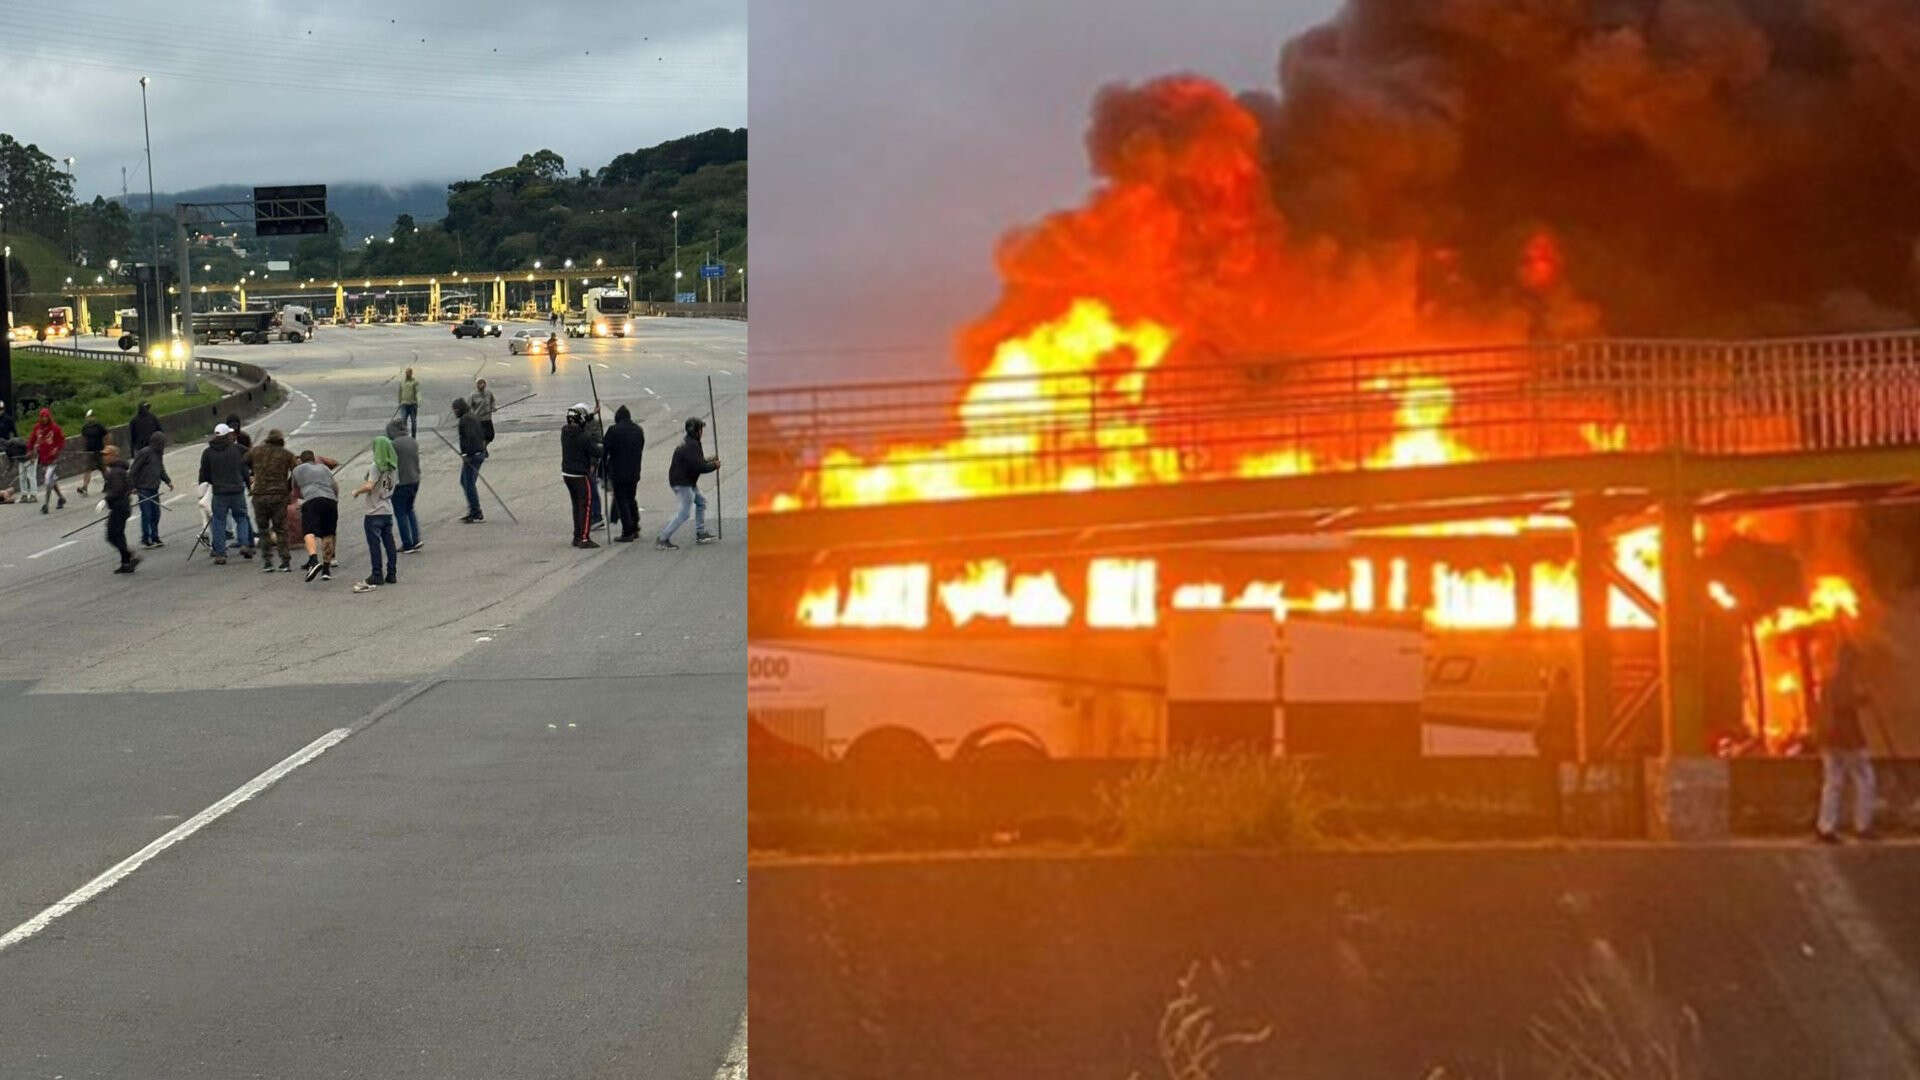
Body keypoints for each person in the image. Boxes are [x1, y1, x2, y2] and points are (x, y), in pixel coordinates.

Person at [1816, 624, 1875, 842]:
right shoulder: (1841, 679)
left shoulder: (1829, 678)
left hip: (1830, 739)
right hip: (1846, 738)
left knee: (1833, 782)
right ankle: (1862, 826)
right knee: (1864, 779)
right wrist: (1862, 699)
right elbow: (1842, 703)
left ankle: (1826, 827)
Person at [656, 416, 719, 549]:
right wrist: (714, 465)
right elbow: (699, 467)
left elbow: (696, 462)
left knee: (701, 502)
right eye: (701, 428)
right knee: (684, 513)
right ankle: (663, 539)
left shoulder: (690, 442)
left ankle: (700, 533)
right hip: (682, 483)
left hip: (686, 480)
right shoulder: (692, 445)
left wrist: (709, 460)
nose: (702, 431)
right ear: (695, 430)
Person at [198, 422, 254, 564]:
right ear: (227, 435)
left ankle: (220, 553)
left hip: (219, 492)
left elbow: (204, 474)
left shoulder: (208, 452)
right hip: (237, 490)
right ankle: (244, 544)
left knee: (219, 522)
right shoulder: (237, 450)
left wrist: (212, 483)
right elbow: (246, 467)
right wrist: (249, 485)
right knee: (241, 517)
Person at [351, 435, 400, 592]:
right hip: (387, 508)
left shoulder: (376, 466)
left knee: (375, 545)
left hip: (373, 511)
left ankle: (377, 574)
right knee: (389, 543)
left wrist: (357, 491)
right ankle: (391, 573)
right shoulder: (393, 468)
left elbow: (370, 485)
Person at [246, 428, 299, 572]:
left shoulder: (255, 451)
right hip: (279, 496)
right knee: (281, 529)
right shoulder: (287, 454)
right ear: (281, 440)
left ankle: (268, 562)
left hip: (259, 496)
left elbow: (243, 461)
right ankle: (285, 561)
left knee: (263, 530)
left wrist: (253, 472)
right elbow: (297, 471)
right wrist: (287, 487)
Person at [292, 449, 340, 582]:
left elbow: (295, 493)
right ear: (314, 459)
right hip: (330, 501)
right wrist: (334, 500)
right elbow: (335, 486)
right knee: (328, 534)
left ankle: (313, 560)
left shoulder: (297, 469)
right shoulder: (324, 468)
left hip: (312, 501)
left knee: (308, 531)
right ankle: (326, 569)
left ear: (301, 460)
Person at [560, 404, 604, 549]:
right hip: (580, 475)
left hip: (567, 473)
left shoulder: (565, 432)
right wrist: (606, 446)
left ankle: (577, 536)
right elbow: (597, 452)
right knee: (585, 506)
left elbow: (581, 421)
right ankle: (584, 538)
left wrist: (592, 414)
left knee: (576, 505)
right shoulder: (584, 437)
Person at [603, 404, 645, 542]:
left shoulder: (613, 430)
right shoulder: (638, 430)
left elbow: (605, 450)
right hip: (634, 471)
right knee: (631, 498)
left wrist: (602, 469)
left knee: (622, 501)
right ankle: (635, 526)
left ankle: (628, 531)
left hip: (618, 472)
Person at [128, 430, 173, 548]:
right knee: (146, 514)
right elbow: (133, 470)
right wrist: (132, 486)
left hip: (154, 488)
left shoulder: (159, 454)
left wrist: (167, 481)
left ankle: (155, 536)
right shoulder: (145, 453)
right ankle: (145, 538)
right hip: (143, 489)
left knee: (156, 514)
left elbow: (160, 469)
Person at [100, 443, 139, 574]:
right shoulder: (119, 469)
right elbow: (129, 484)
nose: (104, 457)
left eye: (106, 455)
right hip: (123, 506)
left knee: (111, 535)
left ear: (113, 455)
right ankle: (126, 563)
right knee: (119, 535)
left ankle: (129, 555)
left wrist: (106, 499)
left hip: (119, 507)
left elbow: (116, 490)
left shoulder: (116, 471)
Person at [385, 417, 423, 552]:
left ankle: (407, 544)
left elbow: (388, 465)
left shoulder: (394, 444)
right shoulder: (412, 441)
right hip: (415, 479)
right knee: (410, 509)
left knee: (400, 513)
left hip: (401, 482)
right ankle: (416, 539)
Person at [453, 397, 487, 523]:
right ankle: (474, 510)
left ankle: (476, 512)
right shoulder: (472, 416)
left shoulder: (465, 420)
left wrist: (466, 454)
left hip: (472, 455)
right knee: (465, 482)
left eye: (456, 409)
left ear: (461, 408)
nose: (455, 412)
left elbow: (470, 437)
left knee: (468, 484)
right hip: (479, 453)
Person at [27, 407, 67, 514]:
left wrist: (56, 449)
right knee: (51, 481)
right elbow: (31, 440)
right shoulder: (37, 428)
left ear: (49, 417)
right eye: (42, 416)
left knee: (48, 479)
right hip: (43, 459)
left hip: (53, 459)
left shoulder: (55, 428)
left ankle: (46, 504)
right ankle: (61, 498)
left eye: (46, 416)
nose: (44, 419)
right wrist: (30, 451)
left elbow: (61, 441)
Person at [1535, 668, 1577, 763]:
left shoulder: (1550, 696)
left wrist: (1538, 736)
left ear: (1555, 679)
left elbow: (1544, 718)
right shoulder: (1572, 697)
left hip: (1551, 743)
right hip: (1568, 743)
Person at [77, 409, 109, 496]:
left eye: (90, 417)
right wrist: (83, 449)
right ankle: (85, 488)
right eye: (87, 417)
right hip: (89, 452)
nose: (89, 418)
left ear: (93, 417)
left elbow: (106, 435)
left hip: (99, 451)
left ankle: (109, 483)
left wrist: (106, 447)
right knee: (87, 470)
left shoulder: (99, 426)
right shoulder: (85, 428)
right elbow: (83, 439)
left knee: (103, 469)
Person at [6, 429, 34, 503]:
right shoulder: (7, 449)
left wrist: (32, 457)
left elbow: (29, 446)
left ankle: (33, 495)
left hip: (29, 459)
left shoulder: (17, 442)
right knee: (22, 478)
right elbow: (11, 460)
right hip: (21, 461)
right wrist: (8, 469)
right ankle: (24, 496)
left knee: (31, 477)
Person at [469, 379, 498, 444]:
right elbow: (469, 407)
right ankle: (482, 449)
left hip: (488, 419)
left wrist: (493, 407)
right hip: (479, 420)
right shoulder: (473, 395)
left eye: (483, 383)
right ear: (476, 385)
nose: (482, 385)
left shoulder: (489, 393)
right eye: (479, 383)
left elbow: (492, 401)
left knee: (490, 436)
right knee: (481, 437)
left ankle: (483, 448)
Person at [397, 367, 420, 438]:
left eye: (408, 372)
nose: (407, 374)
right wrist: (399, 402)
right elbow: (400, 392)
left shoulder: (415, 382)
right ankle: (405, 437)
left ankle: (413, 437)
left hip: (412, 405)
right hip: (404, 405)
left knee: (413, 422)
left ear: (411, 373)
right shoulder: (402, 382)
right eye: (406, 372)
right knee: (403, 421)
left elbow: (418, 392)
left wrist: (418, 401)